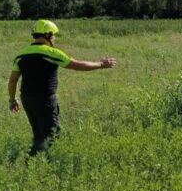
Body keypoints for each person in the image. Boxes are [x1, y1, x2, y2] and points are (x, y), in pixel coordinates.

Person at [7, 20, 117, 156]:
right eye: (53, 35)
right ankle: (32, 162)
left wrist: (12, 100)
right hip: (45, 99)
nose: (55, 38)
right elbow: (77, 65)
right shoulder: (51, 52)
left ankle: (38, 159)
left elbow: (13, 81)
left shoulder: (21, 54)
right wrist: (101, 64)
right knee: (52, 133)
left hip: (27, 99)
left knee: (38, 132)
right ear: (47, 35)